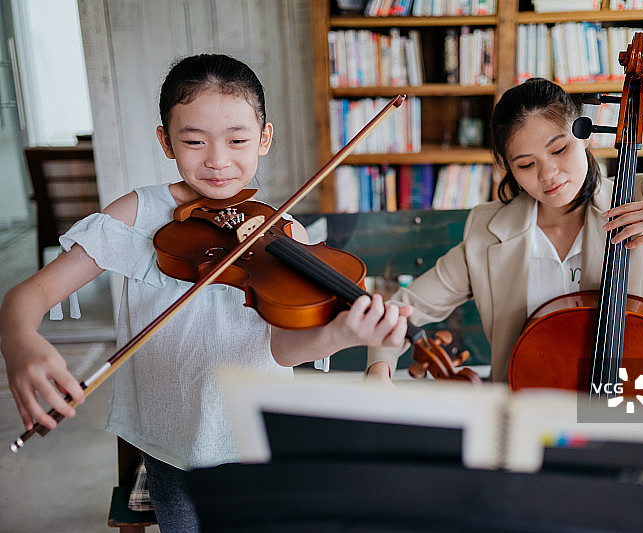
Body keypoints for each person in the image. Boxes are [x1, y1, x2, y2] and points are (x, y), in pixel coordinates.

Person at [0, 53, 408, 532]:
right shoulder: (138, 215)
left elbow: (283, 348)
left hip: (258, 437)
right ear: (166, 142)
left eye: (237, 140)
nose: (217, 161)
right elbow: (31, 293)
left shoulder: (284, 233)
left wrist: (340, 334)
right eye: (194, 141)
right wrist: (19, 340)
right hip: (171, 442)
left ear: (264, 138)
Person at [363, 77, 643, 383]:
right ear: (509, 170)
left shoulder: (639, 204)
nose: (549, 174)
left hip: (633, 398)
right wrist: (379, 372)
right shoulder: (486, 231)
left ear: (586, 135)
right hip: (523, 409)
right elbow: (403, 310)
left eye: (560, 149)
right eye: (526, 165)